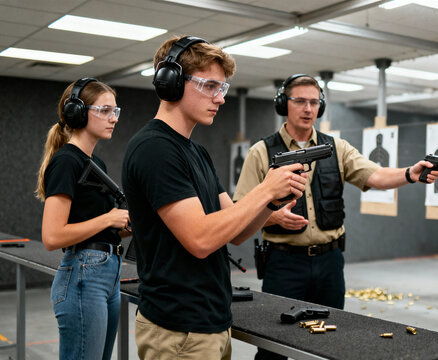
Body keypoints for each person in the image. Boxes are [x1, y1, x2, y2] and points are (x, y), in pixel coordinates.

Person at [121, 36, 307, 360]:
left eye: (222, 88)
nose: (220, 99)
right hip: (178, 330)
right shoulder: (155, 149)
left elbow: (233, 232)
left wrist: (271, 202)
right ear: (172, 82)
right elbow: (200, 239)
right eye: (210, 86)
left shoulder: (196, 152)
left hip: (209, 323)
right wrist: (264, 189)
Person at [233, 74, 438, 360]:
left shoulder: (337, 148)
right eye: (300, 101)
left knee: (333, 341)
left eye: (314, 102)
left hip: (329, 263)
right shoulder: (261, 152)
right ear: (284, 104)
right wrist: (274, 217)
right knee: (272, 348)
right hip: (283, 263)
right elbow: (239, 211)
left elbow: (376, 175)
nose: (308, 109)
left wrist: (410, 173)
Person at [35, 78, 130, 360]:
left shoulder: (95, 164)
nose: (113, 118)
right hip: (84, 275)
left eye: (115, 111)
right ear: (77, 112)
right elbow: (52, 237)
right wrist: (108, 219)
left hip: (107, 272)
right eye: (104, 110)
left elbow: (100, 227)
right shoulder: (66, 161)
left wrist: (124, 224)